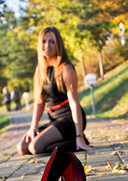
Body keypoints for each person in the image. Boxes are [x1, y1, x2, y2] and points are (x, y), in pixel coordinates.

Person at [17, 26, 93, 155]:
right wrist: (33, 127)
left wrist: (79, 135)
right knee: (22, 148)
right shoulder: (40, 70)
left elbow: (74, 102)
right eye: (44, 41)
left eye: (52, 41)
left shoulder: (66, 67)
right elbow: (39, 102)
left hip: (70, 118)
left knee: (35, 148)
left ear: (59, 45)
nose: (47, 45)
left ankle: (78, 141)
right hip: (55, 120)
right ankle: (71, 140)